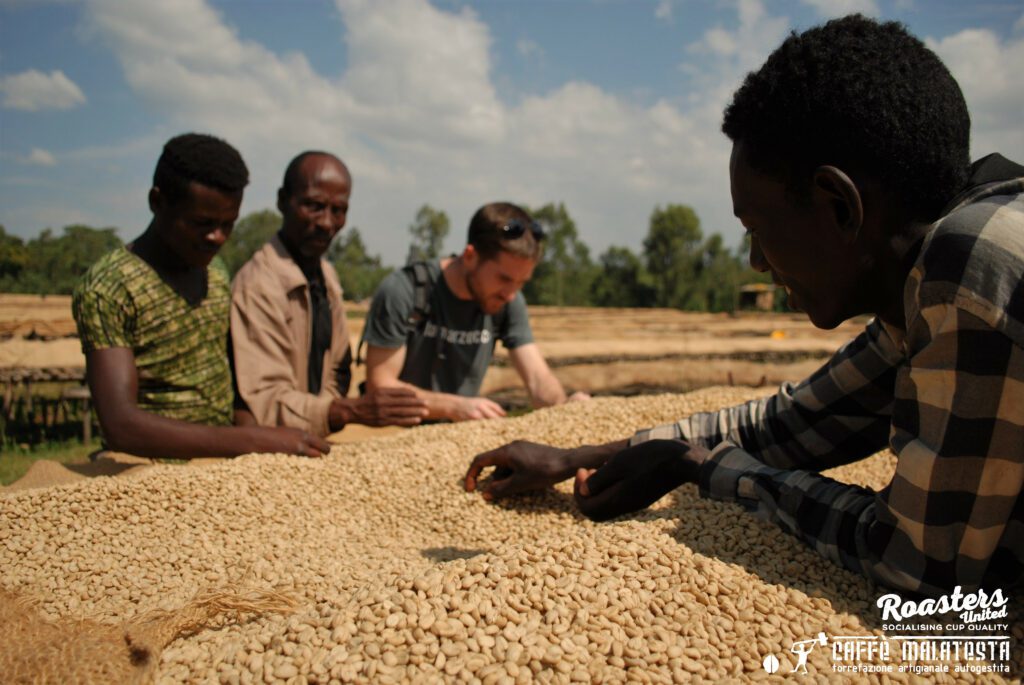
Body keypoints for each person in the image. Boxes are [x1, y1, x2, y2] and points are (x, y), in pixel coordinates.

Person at [464, 15, 1023, 597]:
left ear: (839, 206)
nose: (756, 260)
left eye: (757, 227)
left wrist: (704, 469)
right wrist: (578, 457)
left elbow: (916, 569)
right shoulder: (922, 274)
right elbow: (796, 423)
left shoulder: (971, 269)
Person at [72, 133, 330, 459]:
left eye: (228, 224)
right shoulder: (109, 289)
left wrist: (256, 440)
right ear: (157, 201)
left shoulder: (216, 272)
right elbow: (121, 425)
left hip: (222, 461)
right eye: (202, 223)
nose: (217, 237)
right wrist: (253, 442)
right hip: (144, 466)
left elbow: (235, 381)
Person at [230, 151, 427, 437]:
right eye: (313, 206)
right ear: (283, 201)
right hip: (273, 448)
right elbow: (264, 401)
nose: (326, 222)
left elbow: (338, 369)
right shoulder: (259, 286)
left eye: (338, 210)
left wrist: (323, 414)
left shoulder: (327, 276)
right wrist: (346, 411)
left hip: (307, 443)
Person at [362, 202, 586, 422]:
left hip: (453, 438)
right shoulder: (404, 291)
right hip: (393, 435)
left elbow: (538, 378)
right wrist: (453, 406)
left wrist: (564, 407)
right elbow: (381, 387)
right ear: (470, 256)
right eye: (504, 279)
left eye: (521, 283)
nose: (510, 294)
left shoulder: (509, 300)